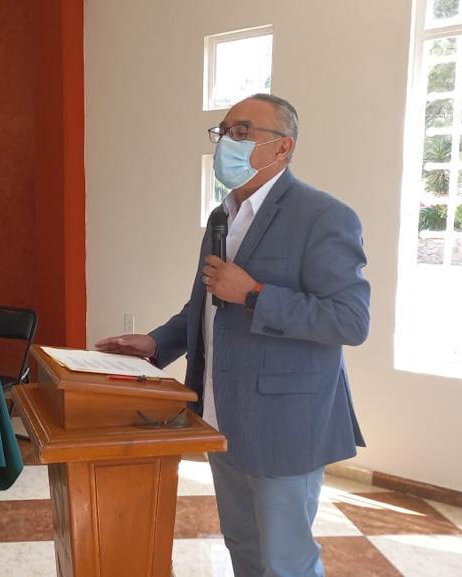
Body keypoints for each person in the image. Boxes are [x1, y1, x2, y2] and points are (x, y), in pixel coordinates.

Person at [96, 94, 370, 577]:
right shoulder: (221, 217)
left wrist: (255, 295)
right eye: (223, 132)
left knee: (285, 560)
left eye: (242, 132)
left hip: (286, 424)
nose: (227, 142)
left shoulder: (323, 216)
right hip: (222, 412)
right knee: (242, 545)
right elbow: (207, 306)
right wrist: (159, 342)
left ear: (282, 147)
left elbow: (349, 320)